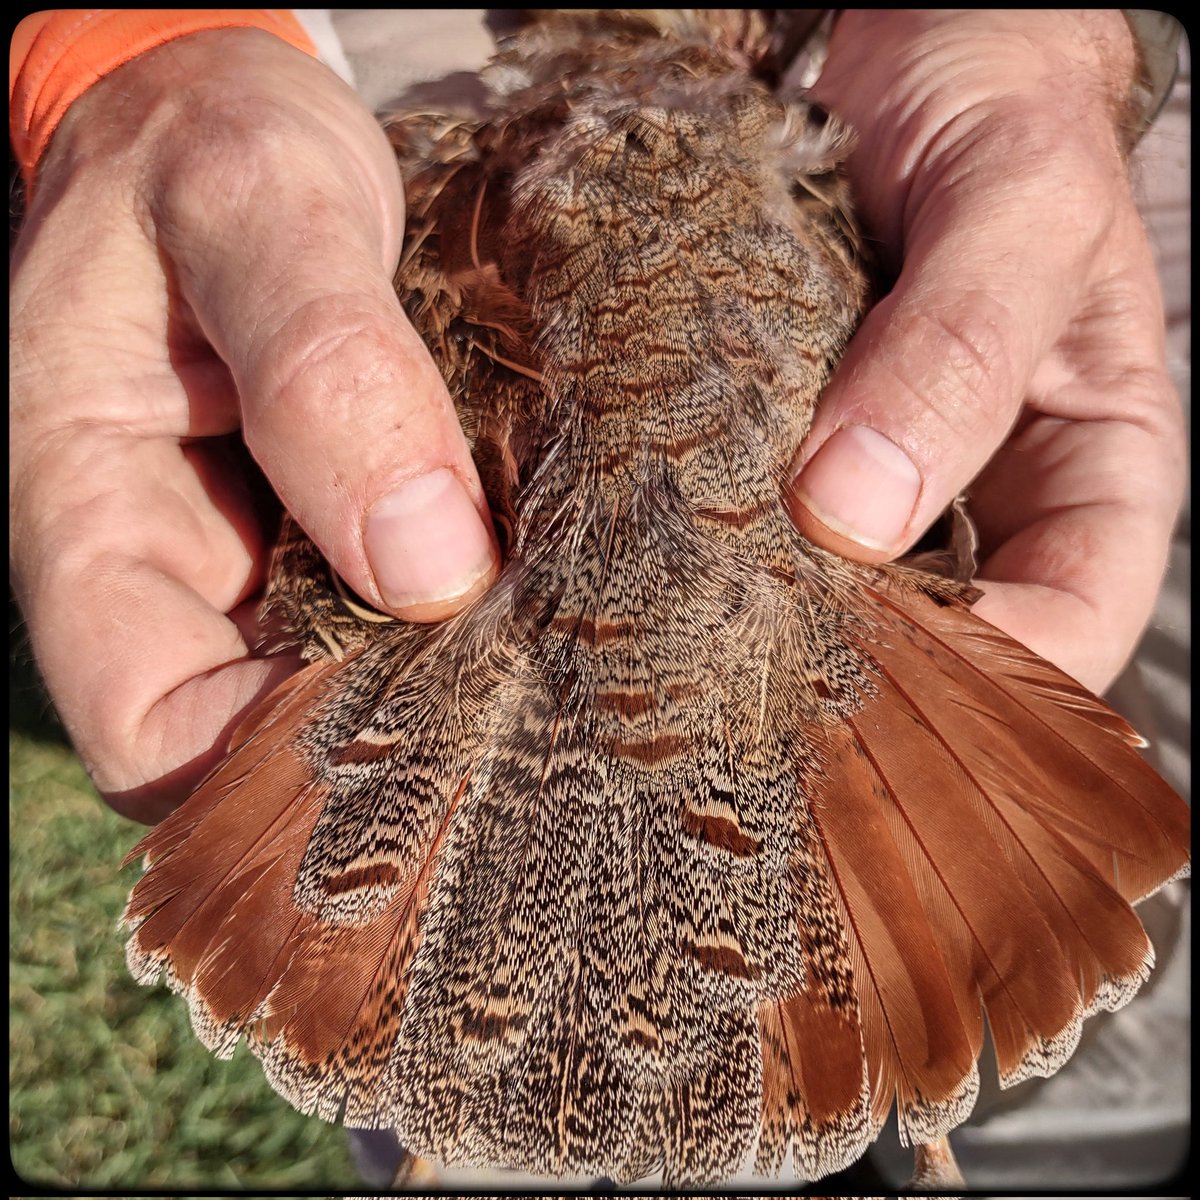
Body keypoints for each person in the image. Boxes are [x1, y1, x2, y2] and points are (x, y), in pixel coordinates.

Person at [9, 8, 1188, 1190]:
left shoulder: (473, 161)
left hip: (874, 126)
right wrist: (145, 54)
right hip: (464, 86)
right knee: (1004, 813)